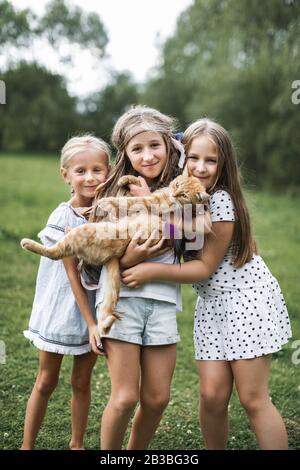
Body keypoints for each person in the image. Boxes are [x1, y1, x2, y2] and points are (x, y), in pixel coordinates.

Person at [121, 118, 292, 450]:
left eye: (210, 160)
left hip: (246, 302)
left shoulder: (221, 201)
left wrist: (149, 272)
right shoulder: (189, 196)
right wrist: (147, 201)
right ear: (182, 157)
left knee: (253, 399)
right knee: (212, 396)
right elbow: (173, 231)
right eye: (194, 157)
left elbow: (202, 267)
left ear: (222, 163)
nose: (200, 167)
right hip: (213, 305)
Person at [92, 105, 188, 450]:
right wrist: (135, 254)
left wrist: (153, 208)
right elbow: (103, 254)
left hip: (163, 301)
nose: (147, 156)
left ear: (168, 145)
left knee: (158, 398)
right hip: (122, 301)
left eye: (155, 146)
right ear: (125, 153)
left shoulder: (181, 190)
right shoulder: (113, 194)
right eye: (137, 148)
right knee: (124, 397)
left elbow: (188, 241)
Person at [21, 135, 111, 450]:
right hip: (63, 308)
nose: (90, 177)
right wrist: (90, 323)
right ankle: (27, 445)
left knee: (81, 382)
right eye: (81, 170)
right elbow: (71, 272)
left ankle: (77, 444)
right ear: (66, 175)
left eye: (97, 169)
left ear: (109, 171)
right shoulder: (63, 217)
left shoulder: (109, 214)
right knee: (47, 380)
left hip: (94, 308)